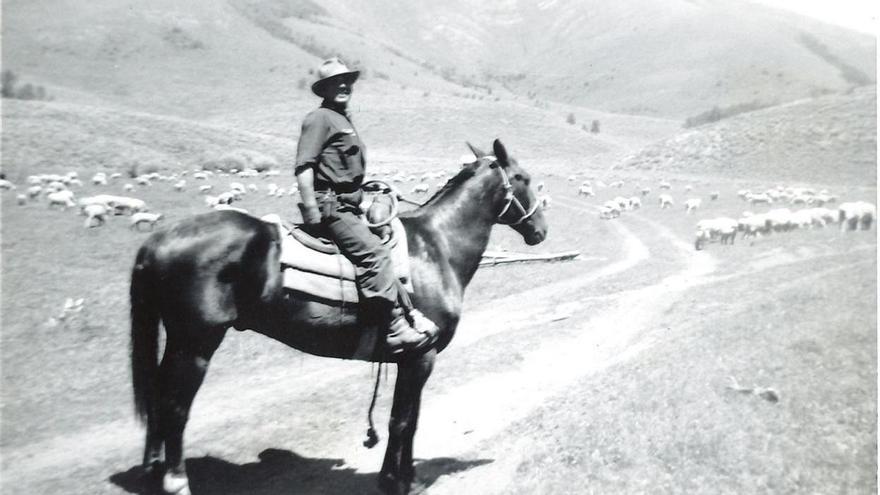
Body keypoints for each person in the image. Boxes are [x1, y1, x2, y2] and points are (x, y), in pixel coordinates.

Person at [294, 58, 438, 356]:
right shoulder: (320, 118)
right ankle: (393, 328)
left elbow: (343, 172)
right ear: (325, 88)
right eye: (337, 82)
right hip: (331, 207)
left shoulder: (342, 119)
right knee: (375, 254)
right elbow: (304, 167)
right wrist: (311, 209)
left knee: (387, 238)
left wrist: (369, 191)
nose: (344, 86)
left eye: (348, 81)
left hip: (348, 202)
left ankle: (409, 312)